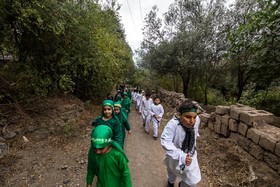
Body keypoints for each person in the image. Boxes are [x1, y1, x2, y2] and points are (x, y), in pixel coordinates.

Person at [160, 100, 201, 187]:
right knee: (172, 171)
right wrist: (181, 156)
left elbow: (195, 130)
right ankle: (170, 183)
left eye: (194, 117)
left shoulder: (197, 121)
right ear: (179, 115)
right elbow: (165, 141)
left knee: (192, 181)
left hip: (191, 154)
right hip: (175, 155)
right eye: (188, 117)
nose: (192, 121)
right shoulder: (173, 124)